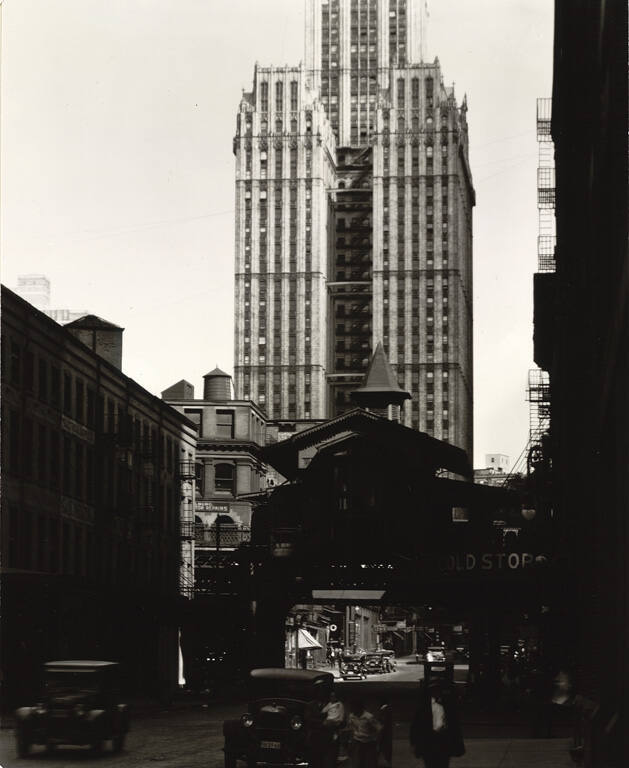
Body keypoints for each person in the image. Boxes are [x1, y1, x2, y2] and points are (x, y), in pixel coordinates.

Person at [410, 679, 465, 768]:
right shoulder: (423, 707)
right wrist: (414, 743)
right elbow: (416, 725)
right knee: (430, 764)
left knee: (443, 764)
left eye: (439, 690)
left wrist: (458, 742)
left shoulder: (447, 704)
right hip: (429, 740)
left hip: (444, 740)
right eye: (434, 690)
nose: (437, 693)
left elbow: (454, 724)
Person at [347, 699, 382, 768]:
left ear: (360, 708)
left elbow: (379, 728)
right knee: (358, 762)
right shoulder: (352, 716)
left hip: (369, 742)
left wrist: (377, 742)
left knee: (370, 763)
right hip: (357, 741)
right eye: (352, 709)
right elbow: (351, 728)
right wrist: (350, 741)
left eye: (354, 708)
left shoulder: (369, 717)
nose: (353, 711)